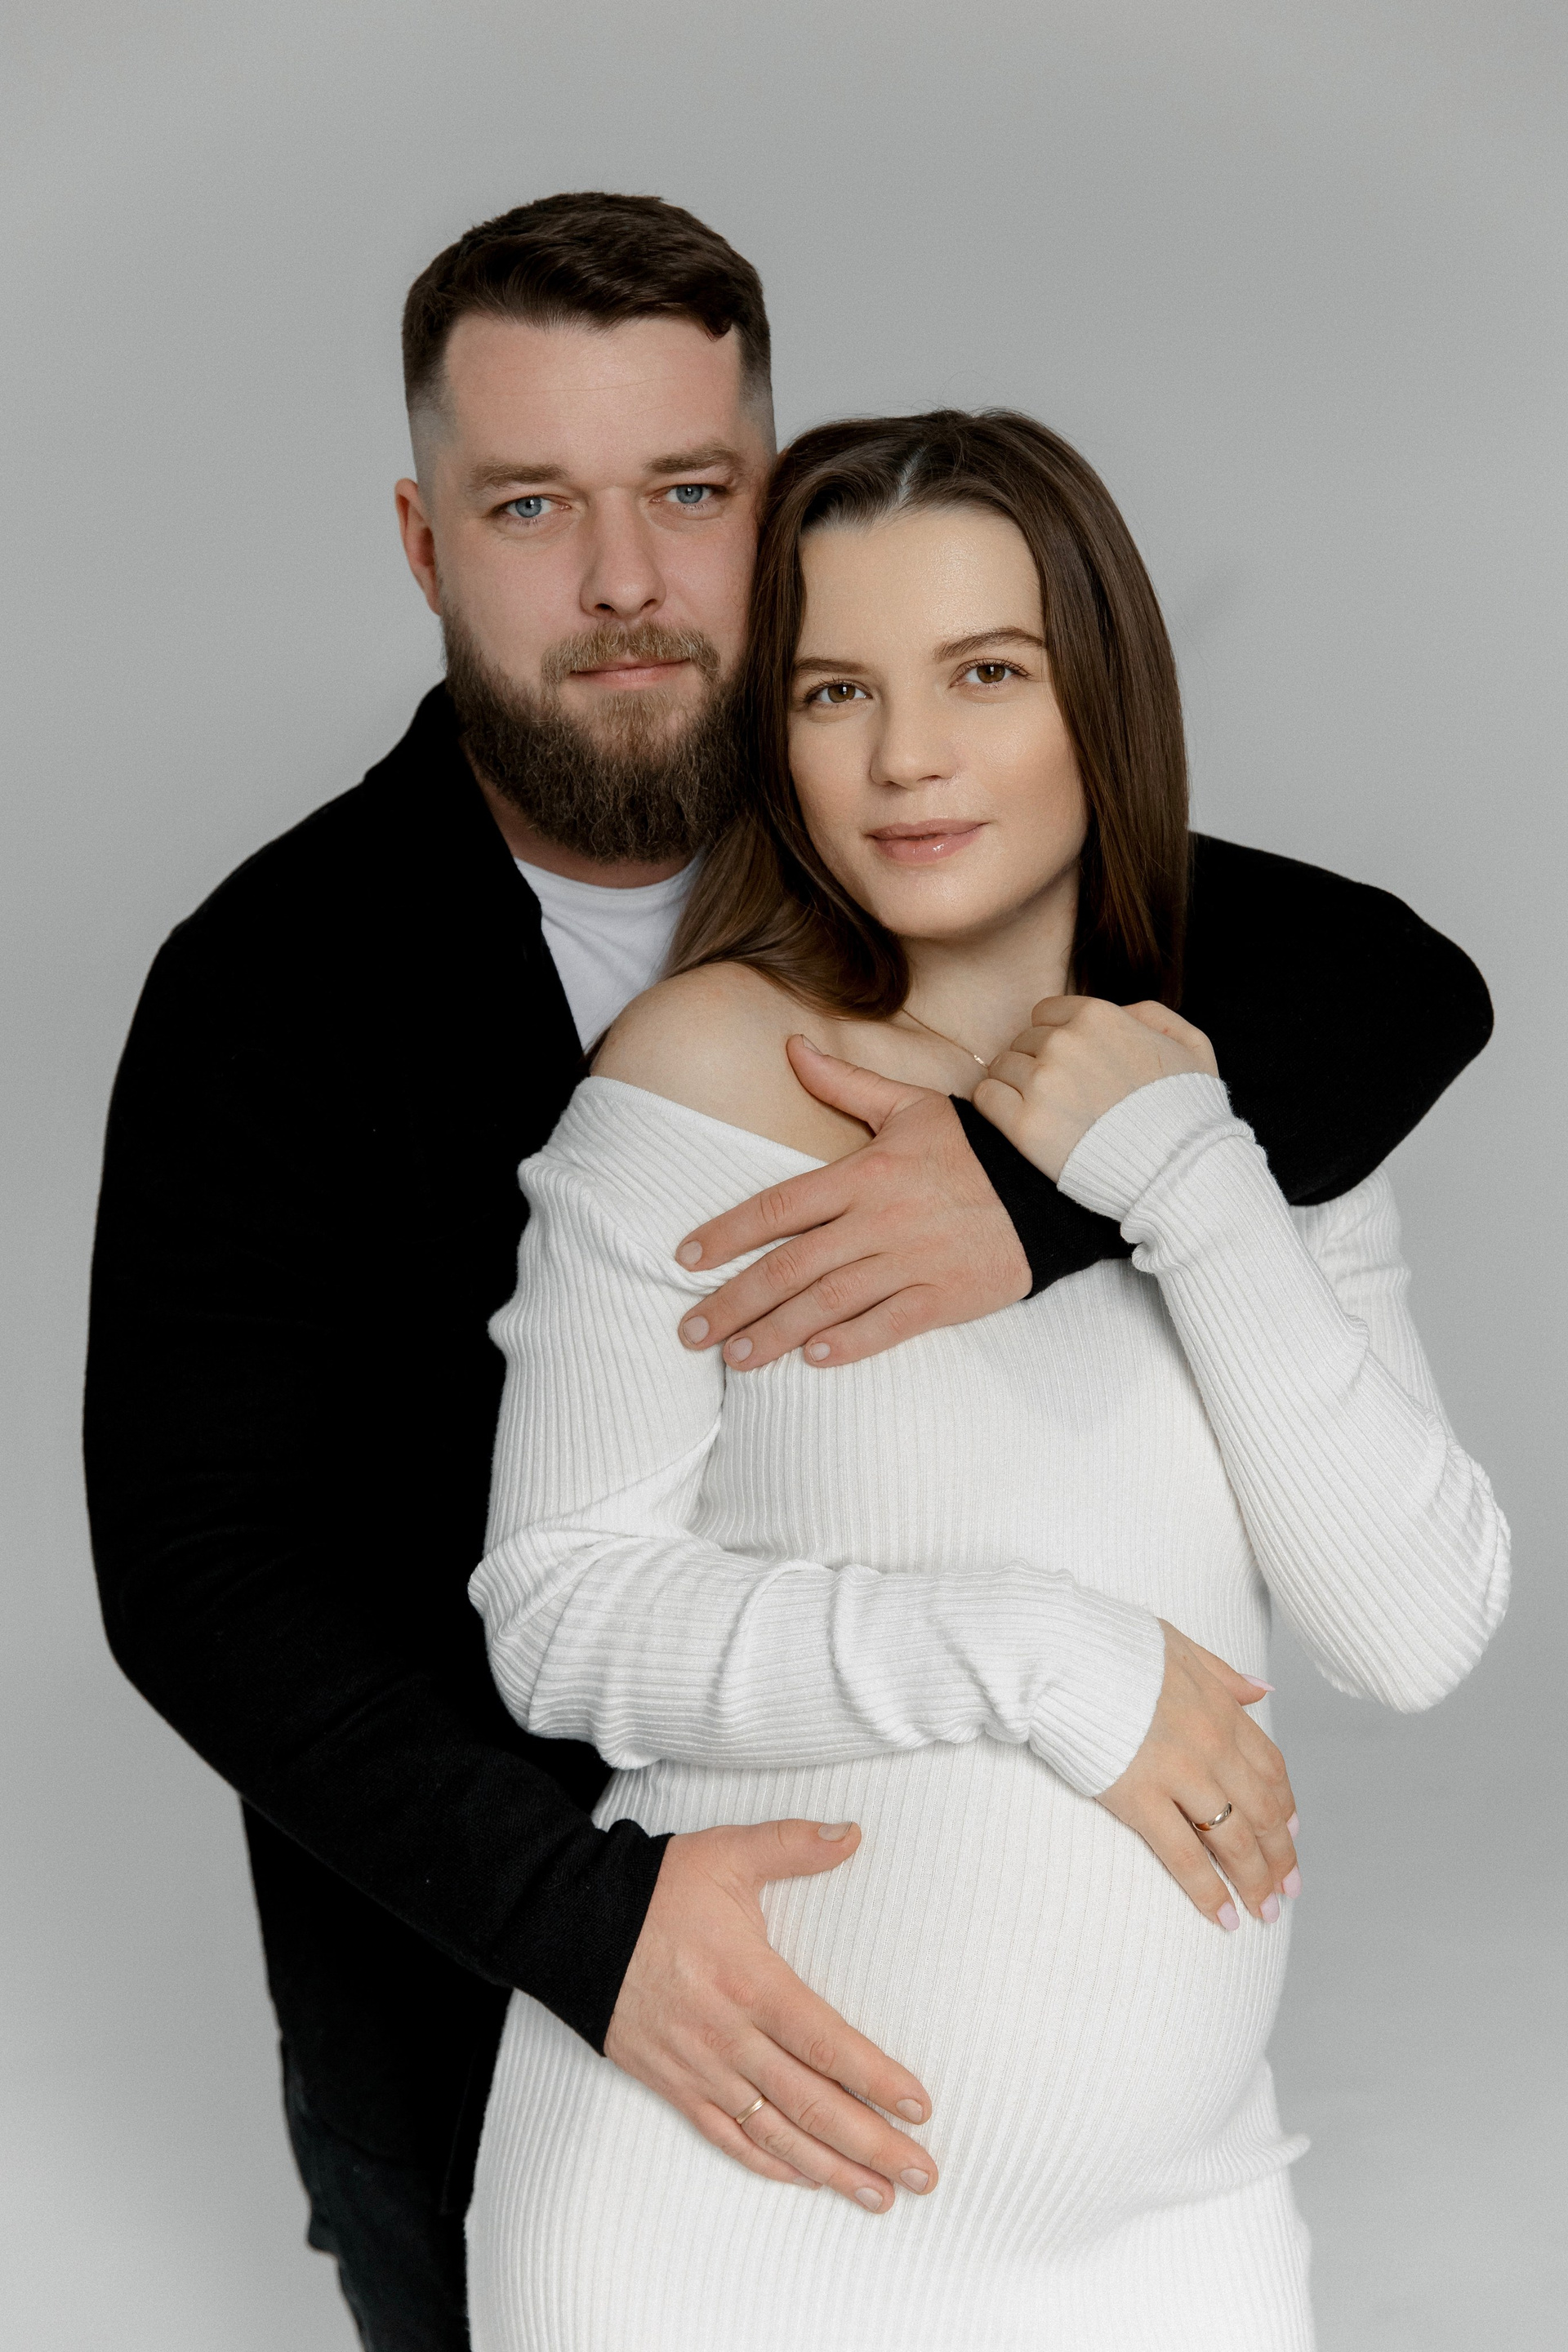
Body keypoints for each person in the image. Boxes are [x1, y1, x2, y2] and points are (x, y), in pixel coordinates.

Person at [83, 198, 1493, 2351]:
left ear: (777, 506)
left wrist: (1040, 1202)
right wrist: (591, 1925)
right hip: (498, 2023)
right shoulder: (275, 990)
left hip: (1147, 2183)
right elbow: (205, 1575)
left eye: (689, 493)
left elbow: (1395, 985)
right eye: (532, 505)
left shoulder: (1025, 889)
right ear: (425, 540)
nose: (623, 578)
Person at [466, 408, 1509, 2350]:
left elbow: (1414, 1625)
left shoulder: (1254, 1112)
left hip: (1175, 2228)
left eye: (987, 674)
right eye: (836, 690)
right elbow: (560, 1615)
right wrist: (1041, 1653)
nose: (907, 759)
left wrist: (1185, 1171)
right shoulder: (701, 1076)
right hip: (723, 2212)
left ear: (1101, 699)